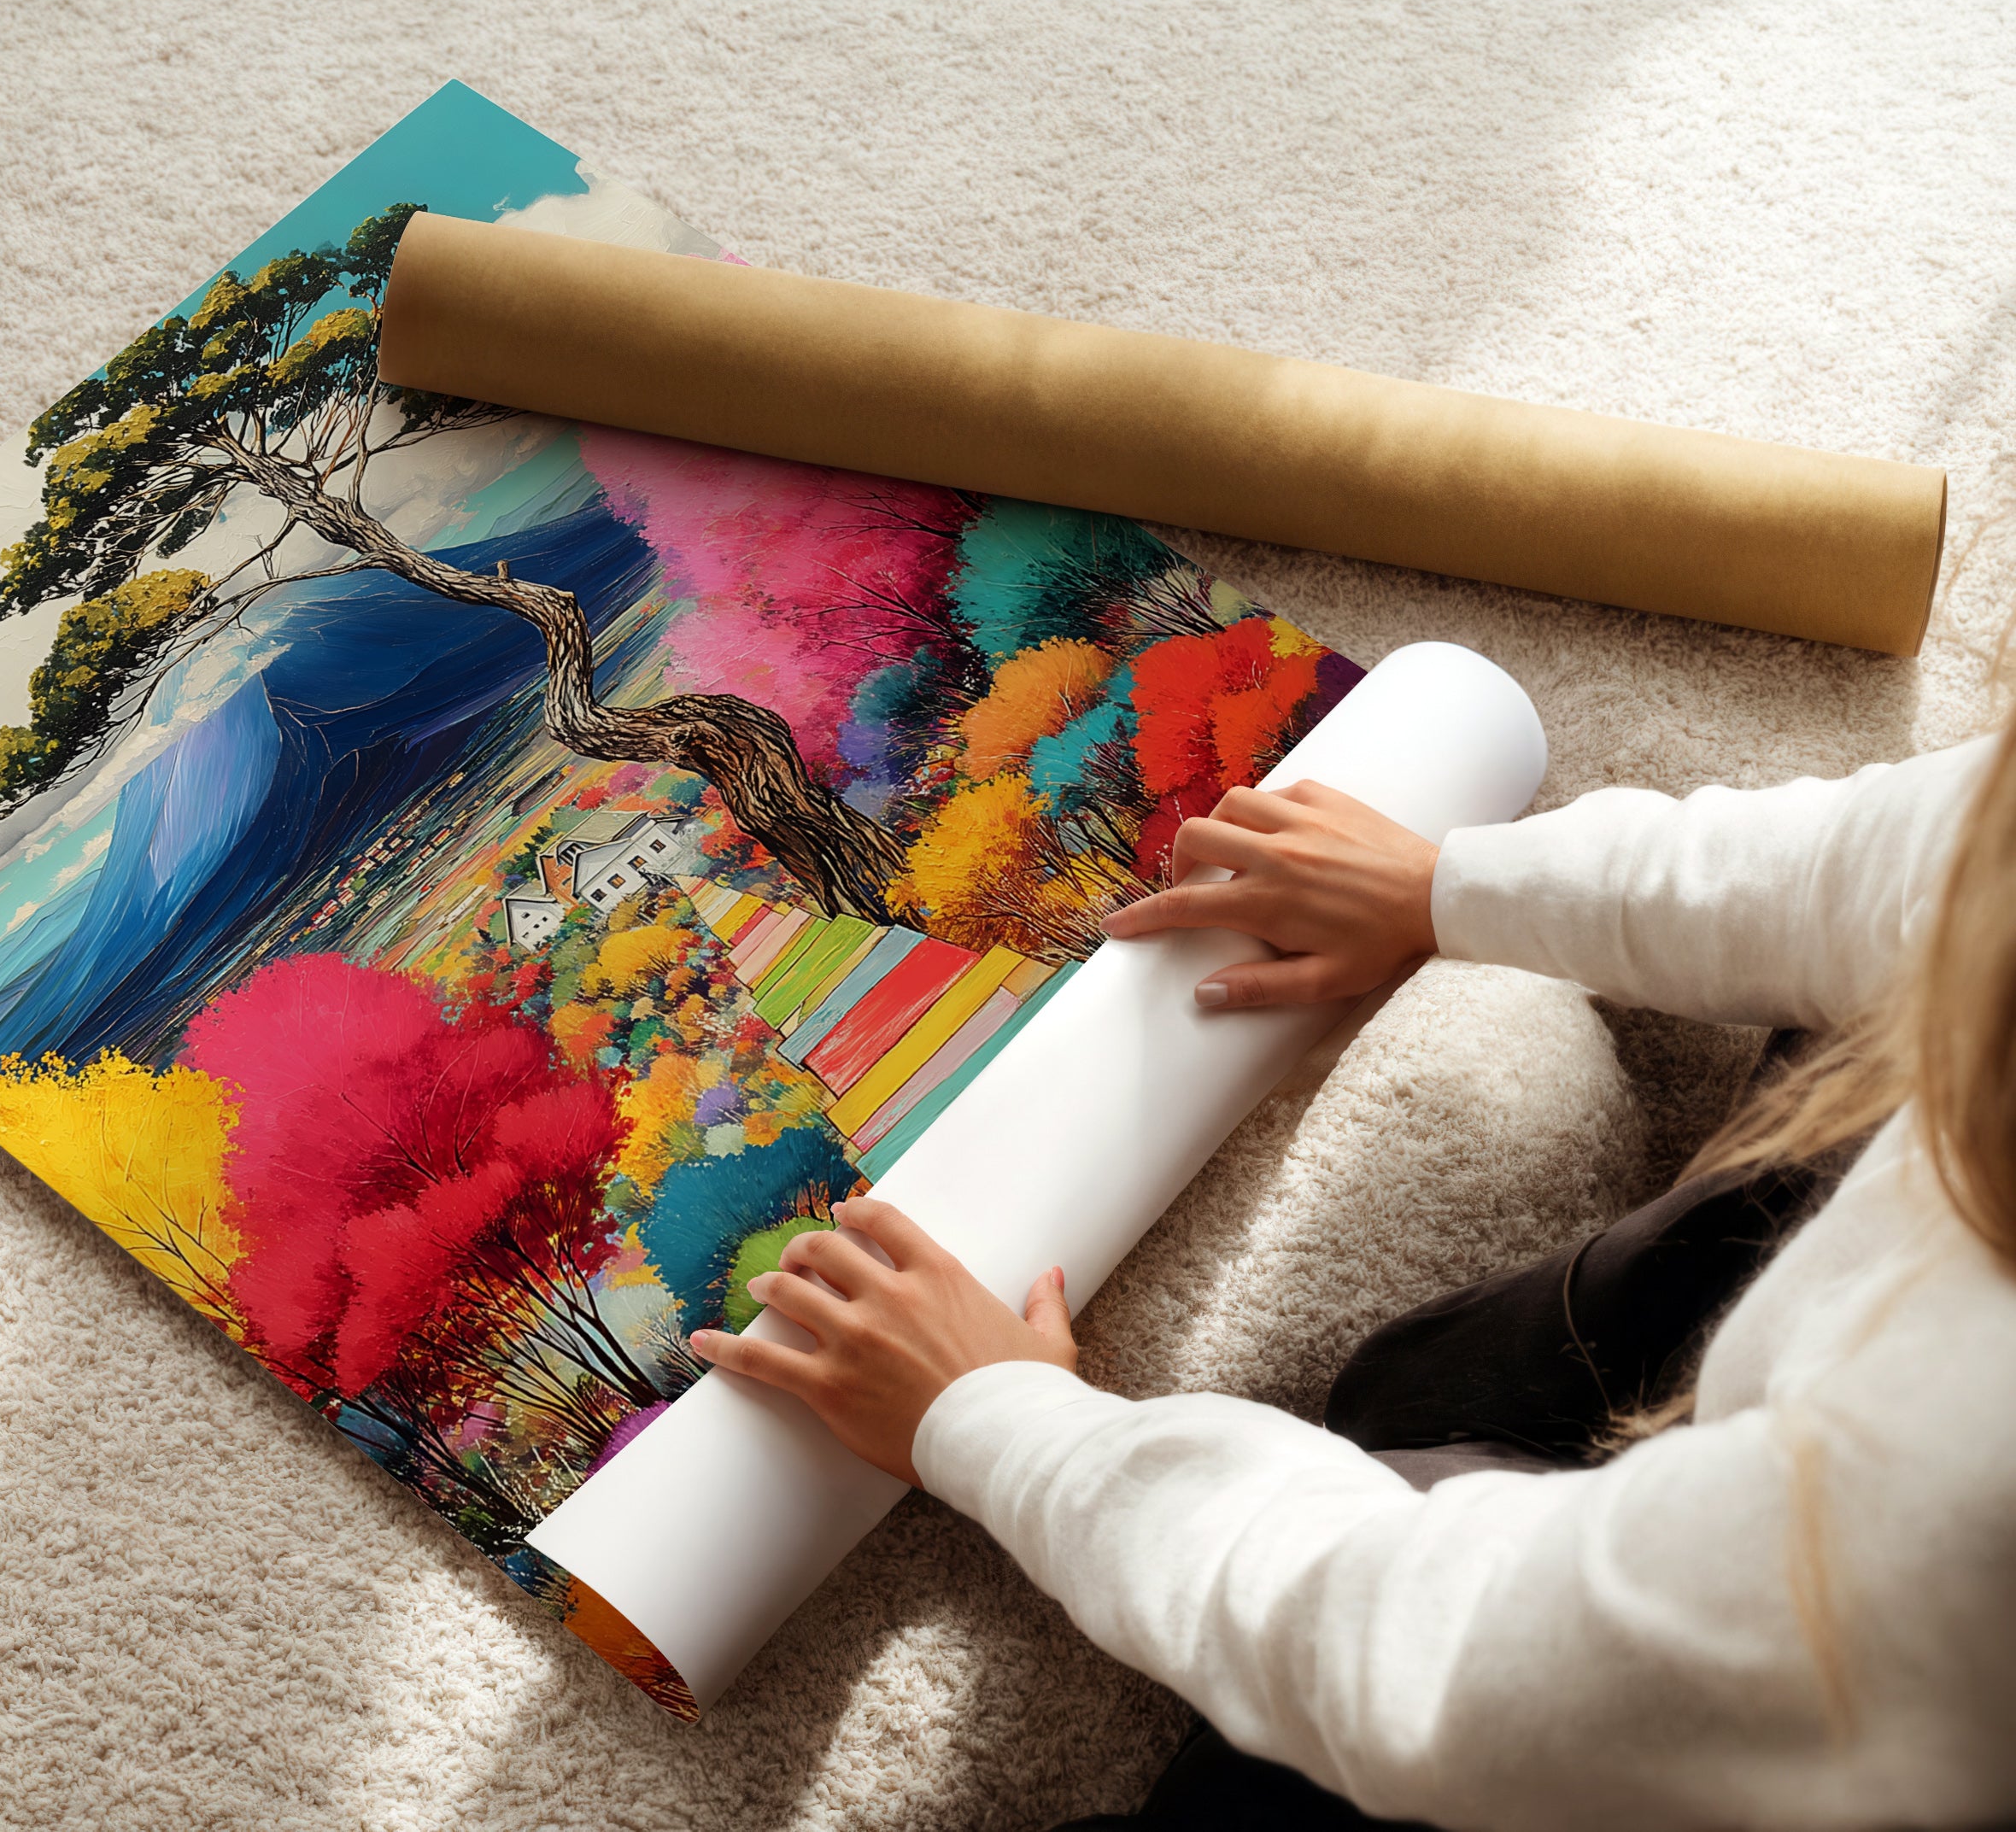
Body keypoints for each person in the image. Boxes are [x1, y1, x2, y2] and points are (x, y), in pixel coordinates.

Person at [691, 731, 2016, 1829]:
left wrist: (1002, 1424)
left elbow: (1443, 1661)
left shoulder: (1952, 1504)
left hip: (1818, 1711)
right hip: (1836, 1454)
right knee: (1422, 1385)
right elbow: (1910, 858)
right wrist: (1448, 885)